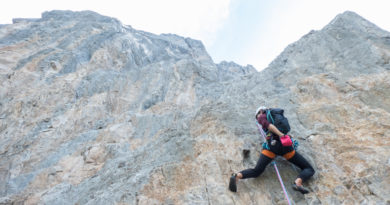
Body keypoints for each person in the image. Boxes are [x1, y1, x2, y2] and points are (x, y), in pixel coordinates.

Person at [229, 106, 315, 194]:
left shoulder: (262, 116)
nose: (258, 118)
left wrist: (281, 135)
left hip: (271, 147)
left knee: (257, 171)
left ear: (261, 111)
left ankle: (236, 176)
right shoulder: (276, 116)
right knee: (308, 168)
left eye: (257, 115)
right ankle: (298, 182)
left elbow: (269, 126)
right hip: (286, 147)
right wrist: (284, 137)